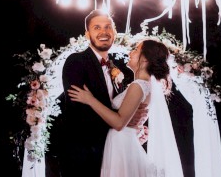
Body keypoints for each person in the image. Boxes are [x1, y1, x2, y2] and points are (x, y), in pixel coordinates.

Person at [68, 39, 184, 177]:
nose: (130, 52)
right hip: (122, 144)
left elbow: (118, 123)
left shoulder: (139, 85)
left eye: (136, 50)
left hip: (122, 147)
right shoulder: (142, 85)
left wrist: (90, 99)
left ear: (145, 59)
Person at [58, 9, 149, 177]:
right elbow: (78, 110)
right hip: (85, 156)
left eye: (108, 27)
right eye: (97, 28)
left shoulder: (116, 69)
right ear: (87, 34)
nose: (103, 32)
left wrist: (132, 127)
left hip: (112, 155)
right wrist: (123, 122)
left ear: (114, 32)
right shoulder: (76, 61)